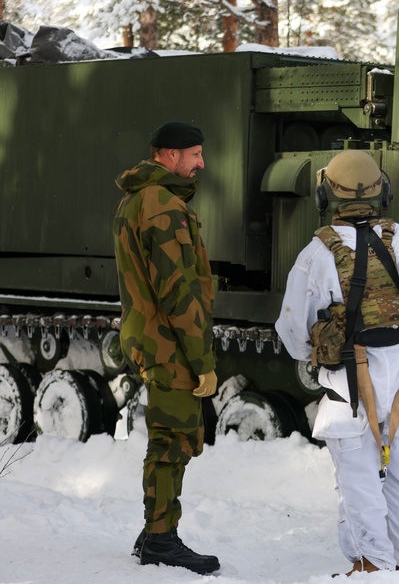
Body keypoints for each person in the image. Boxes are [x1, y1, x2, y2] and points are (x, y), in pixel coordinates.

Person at [275, 151, 399, 582]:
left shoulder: (317, 252)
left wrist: (311, 356)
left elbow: (293, 324)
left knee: (357, 476)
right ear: (382, 191)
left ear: (324, 192)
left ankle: (371, 565)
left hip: (349, 377)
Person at [113, 120, 220, 575]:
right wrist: (203, 362)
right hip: (169, 341)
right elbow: (178, 291)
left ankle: (154, 530)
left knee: (169, 437)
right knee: (173, 441)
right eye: (194, 154)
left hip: (152, 335)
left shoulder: (140, 199)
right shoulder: (160, 204)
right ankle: (160, 538)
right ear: (168, 155)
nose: (201, 163)